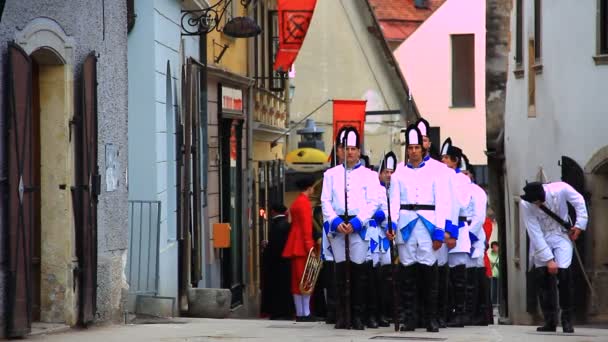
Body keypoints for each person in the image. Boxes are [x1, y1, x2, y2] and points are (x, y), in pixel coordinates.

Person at [389, 124, 451, 333]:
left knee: (429, 274)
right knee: (407, 274)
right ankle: (410, 318)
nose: (413, 151)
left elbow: (442, 202)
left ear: (423, 149)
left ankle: (430, 318)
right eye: (410, 147)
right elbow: (393, 202)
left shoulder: (436, 172)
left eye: (417, 147)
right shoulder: (398, 173)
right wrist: (392, 225)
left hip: (428, 223)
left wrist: (439, 230)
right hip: (406, 224)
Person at [321, 127, 378, 330]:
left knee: (358, 272)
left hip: (358, 225)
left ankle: (357, 315)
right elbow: (325, 201)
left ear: (359, 151)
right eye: (346, 148)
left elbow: (373, 203)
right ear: (338, 151)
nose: (350, 152)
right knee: (340, 272)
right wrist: (336, 221)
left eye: (354, 148)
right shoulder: (330, 174)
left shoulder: (370, 175)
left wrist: (357, 222)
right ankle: (341, 314)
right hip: (338, 225)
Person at [520, 181, 588, 333]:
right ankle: (550, 320)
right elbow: (534, 231)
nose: (535, 204)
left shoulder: (561, 188)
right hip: (541, 238)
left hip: (560, 234)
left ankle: (567, 320)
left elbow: (579, 201)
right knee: (543, 280)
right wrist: (548, 259)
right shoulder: (526, 204)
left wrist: (579, 225)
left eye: (537, 200)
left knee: (564, 276)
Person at [416, 119, 455, 328]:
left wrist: (449, 231)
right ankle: (418, 314)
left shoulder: (441, 169)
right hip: (415, 229)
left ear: (428, 143)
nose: (420, 145)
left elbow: (450, 201)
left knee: (437, 274)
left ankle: (438, 314)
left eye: (423, 140)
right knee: (416, 274)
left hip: (436, 227)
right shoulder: (405, 169)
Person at [439, 138, 471, 328]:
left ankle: (460, 313)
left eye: (446, 158)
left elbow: (461, 204)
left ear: (455, 161)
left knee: (458, 277)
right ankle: (447, 311)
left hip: (457, 228)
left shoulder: (461, 179)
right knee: (445, 277)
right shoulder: (442, 177)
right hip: (443, 230)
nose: (442, 161)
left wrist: (453, 232)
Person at [366, 151, 398, 329]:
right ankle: (372, 313)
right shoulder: (375, 189)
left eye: (392, 172)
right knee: (373, 276)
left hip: (388, 235)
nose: (389, 175)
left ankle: (385, 312)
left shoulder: (395, 190)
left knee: (388, 277)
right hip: (373, 234)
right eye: (386, 171)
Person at [282, 174, 317, 322]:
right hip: (302, 245)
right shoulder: (304, 203)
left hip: (295, 243)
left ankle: (301, 312)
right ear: (309, 188)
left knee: (297, 281)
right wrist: (310, 248)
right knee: (305, 280)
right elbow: (306, 228)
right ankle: (305, 312)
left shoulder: (297, 201)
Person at [261, 203, 294, 320]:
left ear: (273, 212)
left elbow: (275, 247)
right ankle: (287, 311)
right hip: (286, 262)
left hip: (277, 264)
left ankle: (279, 312)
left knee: (277, 289)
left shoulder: (276, 226)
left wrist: (267, 248)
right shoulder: (286, 224)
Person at [489, 241, 500, 305]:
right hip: (492, 274)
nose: (495, 248)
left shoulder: (500, 255)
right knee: (493, 290)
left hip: (499, 274)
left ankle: (498, 302)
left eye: (496, 246)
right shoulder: (489, 255)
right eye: (493, 247)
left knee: (499, 290)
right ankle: (493, 303)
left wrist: (496, 263)